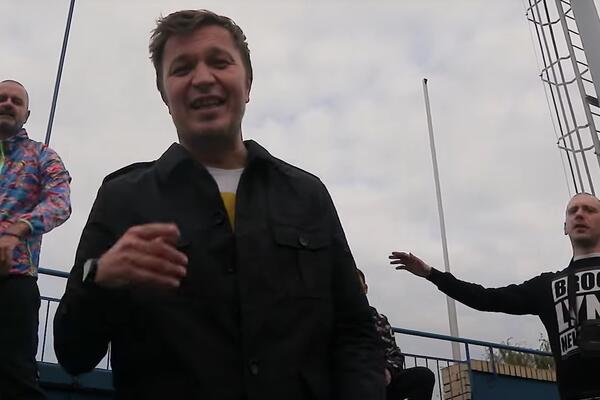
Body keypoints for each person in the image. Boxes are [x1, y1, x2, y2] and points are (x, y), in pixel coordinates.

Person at [53, 9, 384, 400]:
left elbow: (356, 333)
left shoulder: (308, 195)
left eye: (219, 62)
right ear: (165, 95)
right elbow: (73, 354)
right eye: (182, 69)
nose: (203, 78)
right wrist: (99, 276)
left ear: (248, 83)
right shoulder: (122, 198)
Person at [389, 192, 600, 400]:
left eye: (589, 210)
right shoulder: (547, 286)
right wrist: (431, 274)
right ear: (565, 227)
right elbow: (485, 298)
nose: (579, 214)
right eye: (573, 210)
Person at [0, 79, 71, 400]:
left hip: (13, 284)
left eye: (16, 101)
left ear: (26, 114)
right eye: (2, 98)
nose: (8, 104)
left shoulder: (43, 156)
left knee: (16, 380)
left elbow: (60, 202)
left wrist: (17, 229)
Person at [356, 269, 435, 400]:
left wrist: (388, 371)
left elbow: (394, 354)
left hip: (381, 383)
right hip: (350, 384)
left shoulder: (380, 320)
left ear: (365, 289)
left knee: (423, 376)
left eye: (358, 287)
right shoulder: (331, 319)